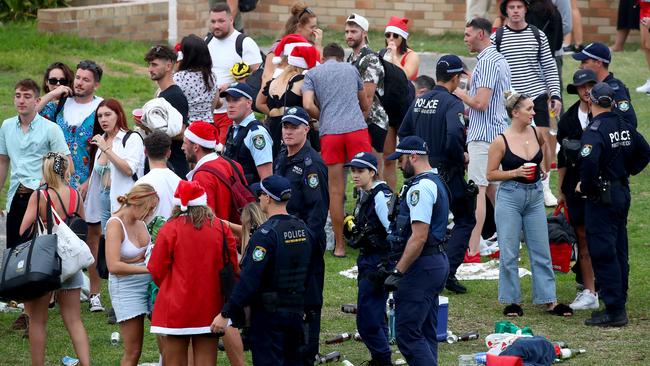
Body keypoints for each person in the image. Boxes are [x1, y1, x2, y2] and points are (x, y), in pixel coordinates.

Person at [210, 175, 317, 365]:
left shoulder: (266, 235)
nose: (258, 199)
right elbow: (313, 273)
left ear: (267, 198)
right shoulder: (305, 230)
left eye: (260, 195)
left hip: (269, 318)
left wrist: (226, 313)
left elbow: (249, 280)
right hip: (296, 313)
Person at [486, 92, 572, 318]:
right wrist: (515, 172)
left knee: (541, 250)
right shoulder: (500, 141)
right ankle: (512, 301)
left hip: (534, 197)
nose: (534, 113)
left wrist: (543, 166)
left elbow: (545, 148)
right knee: (509, 252)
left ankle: (549, 300)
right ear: (515, 113)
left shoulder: (535, 132)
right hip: (510, 197)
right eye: (529, 109)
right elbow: (490, 174)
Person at [400, 55, 476, 294]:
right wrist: (460, 156)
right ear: (455, 78)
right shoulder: (452, 103)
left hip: (421, 172)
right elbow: (454, 134)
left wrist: (412, 158)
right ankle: (447, 272)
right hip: (446, 172)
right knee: (465, 220)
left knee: (423, 224)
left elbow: (404, 132)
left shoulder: (420, 100)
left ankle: (419, 267)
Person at [579, 83, 650, 327]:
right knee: (619, 247)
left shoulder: (594, 131)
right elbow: (645, 152)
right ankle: (620, 297)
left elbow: (588, 166)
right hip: (621, 192)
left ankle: (614, 309)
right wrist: (627, 172)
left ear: (592, 101)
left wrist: (586, 187)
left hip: (602, 197)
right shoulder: (624, 125)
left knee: (603, 250)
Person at [148, 180, 239, 365]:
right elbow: (233, 265)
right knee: (207, 358)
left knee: (174, 359)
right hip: (211, 302)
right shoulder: (221, 228)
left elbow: (156, 269)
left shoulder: (170, 228)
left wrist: (170, 286)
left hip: (175, 305)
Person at [382, 136, 449, 365]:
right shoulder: (436, 181)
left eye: (401, 159)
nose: (399, 166)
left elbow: (418, 237)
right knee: (426, 330)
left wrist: (398, 272)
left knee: (408, 334)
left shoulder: (419, 188)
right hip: (435, 262)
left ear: (412, 157)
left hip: (421, 266)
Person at [18, 152, 90, 366]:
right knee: (74, 320)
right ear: (65, 169)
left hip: (45, 265)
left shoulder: (40, 196)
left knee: (38, 321)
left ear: (45, 170)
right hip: (71, 264)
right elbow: (82, 225)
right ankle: (86, 363)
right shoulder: (76, 194)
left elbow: (23, 230)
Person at [302, 42, 372, 258]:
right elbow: (365, 102)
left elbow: (307, 105)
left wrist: (323, 115)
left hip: (330, 132)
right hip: (356, 129)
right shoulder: (351, 69)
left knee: (335, 191)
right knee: (369, 185)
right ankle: (371, 237)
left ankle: (339, 246)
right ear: (341, 58)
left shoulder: (312, 73)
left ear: (323, 58)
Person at [492, 0, 563, 207]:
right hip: (510, 98)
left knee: (543, 139)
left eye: (519, 7)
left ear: (525, 10)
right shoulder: (498, 37)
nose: (515, 11)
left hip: (537, 94)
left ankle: (545, 186)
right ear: (506, 10)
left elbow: (549, 67)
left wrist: (555, 95)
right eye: (511, 7)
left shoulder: (537, 35)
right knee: (512, 141)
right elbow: (490, 67)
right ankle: (513, 182)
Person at [273, 106, 328, 363]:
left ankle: (307, 353)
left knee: (308, 302)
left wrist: (302, 246)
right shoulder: (283, 155)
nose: (288, 131)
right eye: (285, 126)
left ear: (307, 128)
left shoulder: (312, 163)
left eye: (294, 126)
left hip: (304, 245)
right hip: (283, 243)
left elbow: (317, 212)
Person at [454, 17, 511, 262]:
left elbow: (480, 102)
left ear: (481, 34)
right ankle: (504, 243)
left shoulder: (487, 62)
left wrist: (455, 90)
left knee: (477, 190)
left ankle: (473, 249)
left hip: (483, 135)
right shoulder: (498, 59)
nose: (465, 39)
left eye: (468, 34)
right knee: (495, 194)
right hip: (499, 132)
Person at [84, 98, 145, 312]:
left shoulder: (131, 138)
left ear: (118, 115)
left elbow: (129, 169)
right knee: (109, 251)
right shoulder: (101, 142)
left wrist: (107, 149)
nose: (103, 120)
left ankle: (131, 298)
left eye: (107, 114)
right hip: (103, 203)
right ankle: (108, 298)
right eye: (100, 116)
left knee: (127, 251)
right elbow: (98, 176)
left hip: (125, 203)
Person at [0, 79, 70, 248]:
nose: (21, 100)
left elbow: (67, 163)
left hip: (42, 197)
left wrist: (48, 180)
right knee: (13, 251)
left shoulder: (50, 128)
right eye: (18, 96)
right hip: (16, 196)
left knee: (40, 253)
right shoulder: (6, 126)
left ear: (38, 101)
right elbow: (2, 162)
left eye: (27, 96)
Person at [343, 152, 392, 366]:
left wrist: (387, 263)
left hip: (377, 263)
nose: (354, 175)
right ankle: (380, 358)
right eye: (353, 170)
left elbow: (392, 231)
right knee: (376, 315)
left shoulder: (380, 195)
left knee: (367, 321)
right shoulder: (365, 193)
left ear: (372, 172)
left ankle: (382, 359)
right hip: (367, 260)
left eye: (360, 171)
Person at [556, 69, 599, 310]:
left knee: (603, 238)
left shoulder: (605, 115)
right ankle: (589, 290)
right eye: (582, 87)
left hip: (599, 187)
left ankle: (607, 286)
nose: (586, 91)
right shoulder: (568, 119)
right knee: (582, 238)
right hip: (575, 187)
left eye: (590, 85)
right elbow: (562, 158)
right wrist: (561, 190)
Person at [106, 184, 159, 366]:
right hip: (126, 288)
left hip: (149, 287)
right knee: (134, 350)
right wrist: (147, 268)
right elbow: (113, 265)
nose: (150, 214)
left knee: (165, 346)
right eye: (148, 209)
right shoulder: (115, 224)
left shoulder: (142, 222)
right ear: (136, 203)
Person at [38, 60, 104, 191]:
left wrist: (89, 182)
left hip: (88, 187)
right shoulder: (61, 104)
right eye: (78, 78)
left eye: (86, 80)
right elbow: (30, 113)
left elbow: (106, 150)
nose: (79, 83)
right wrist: (52, 94)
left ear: (96, 85)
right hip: (56, 183)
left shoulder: (101, 108)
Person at [207, 3, 263, 143]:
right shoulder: (206, 42)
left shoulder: (244, 42)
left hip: (233, 114)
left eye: (221, 21)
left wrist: (232, 87)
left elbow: (258, 77)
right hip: (209, 114)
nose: (216, 26)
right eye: (213, 21)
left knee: (227, 158)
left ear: (231, 20)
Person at [257, 37, 320, 157]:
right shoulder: (302, 80)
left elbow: (259, 103)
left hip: (274, 128)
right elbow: (310, 105)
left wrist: (275, 113)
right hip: (294, 130)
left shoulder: (274, 80)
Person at [346, 13, 389, 179]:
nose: (349, 35)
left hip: (373, 121)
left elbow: (368, 97)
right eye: (347, 31)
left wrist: (357, 124)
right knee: (361, 170)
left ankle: (380, 200)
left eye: (354, 31)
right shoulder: (351, 58)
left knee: (374, 171)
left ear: (364, 33)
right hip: (359, 119)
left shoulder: (370, 59)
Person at [382, 16, 420, 190]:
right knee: (388, 155)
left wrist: (395, 57)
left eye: (395, 36)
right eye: (388, 35)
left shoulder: (411, 55)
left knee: (407, 155)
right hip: (388, 107)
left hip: (406, 106)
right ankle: (389, 194)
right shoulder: (382, 54)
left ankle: (410, 190)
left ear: (402, 38)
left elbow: (406, 75)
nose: (391, 39)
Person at [144, 44, 190, 179]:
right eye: (150, 65)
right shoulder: (161, 93)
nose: (150, 69)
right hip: (163, 165)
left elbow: (182, 133)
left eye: (154, 65)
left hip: (173, 165)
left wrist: (147, 126)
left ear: (169, 66)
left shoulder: (175, 95)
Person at [184, 121, 245, 223]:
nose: (182, 147)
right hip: (240, 234)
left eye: (185, 143)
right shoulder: (233, 164)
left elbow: (206, 221)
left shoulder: (202, 177)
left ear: (195, 147)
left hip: (221, 236)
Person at [572, 42, 637, 128]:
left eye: (584, 62)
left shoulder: (615, 89)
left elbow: (629, 122)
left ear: (598, 63)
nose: (580, 66)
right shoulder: (593, 87)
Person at [222, 82, 273, 184]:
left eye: (236, 100)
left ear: (249, 103)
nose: (230, 105)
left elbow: (266, 178)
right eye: (228, 100)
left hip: (251, 196)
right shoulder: (233, 129)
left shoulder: (257, 133)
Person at [261, 2, 323, 85]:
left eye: (316, 27)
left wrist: (318, 46)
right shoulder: (280, 47)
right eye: (312, 27)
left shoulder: (311, 45)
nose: (315, 31)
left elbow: (321, 72)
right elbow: (266, 77)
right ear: (299, 27)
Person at [135, 131, 182, 220]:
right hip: (177, 232)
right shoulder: (180, 182)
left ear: (145, 152)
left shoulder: (141, 184)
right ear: (169, 153)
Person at [174, 34, 218, 124]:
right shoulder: (211, 76)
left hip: (189, 127)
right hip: (208, 125)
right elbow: (213, 104)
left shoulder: (179, 77)